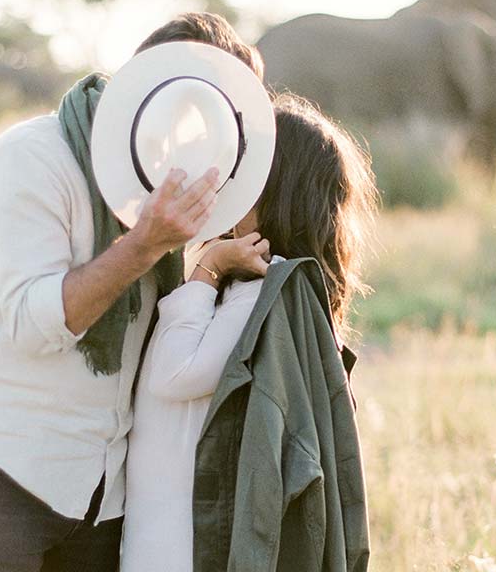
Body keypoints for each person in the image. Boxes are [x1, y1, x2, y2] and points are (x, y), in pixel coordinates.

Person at [0, 13, 264, 572]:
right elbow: (35, 328)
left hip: (103, 497)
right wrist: (143, 246)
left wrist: (208, 267)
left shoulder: (171, 187)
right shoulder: (30, 157)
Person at [121, 93, 378, 571]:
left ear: (276, 191)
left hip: (183, 547)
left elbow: (173, 375)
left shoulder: (260, 293)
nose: (224, 189)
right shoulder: (252, 292)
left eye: (244, 175)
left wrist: (210, 268)